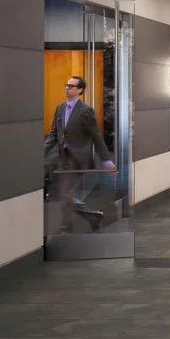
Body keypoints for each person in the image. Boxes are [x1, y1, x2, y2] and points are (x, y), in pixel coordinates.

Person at [44, 76, 115, 233]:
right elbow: (54, 134)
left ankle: (68, 226)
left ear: (80, 90)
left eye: (71, 86)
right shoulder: (60, 108)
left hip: (79, 159)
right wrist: (42, 151)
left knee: (65, 192)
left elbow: (96, 136)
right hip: (64, 158)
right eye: (66, 85)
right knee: (65, 193)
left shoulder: (85, 111)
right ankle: (90, 218)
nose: (67, 88)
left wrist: (106, 160)